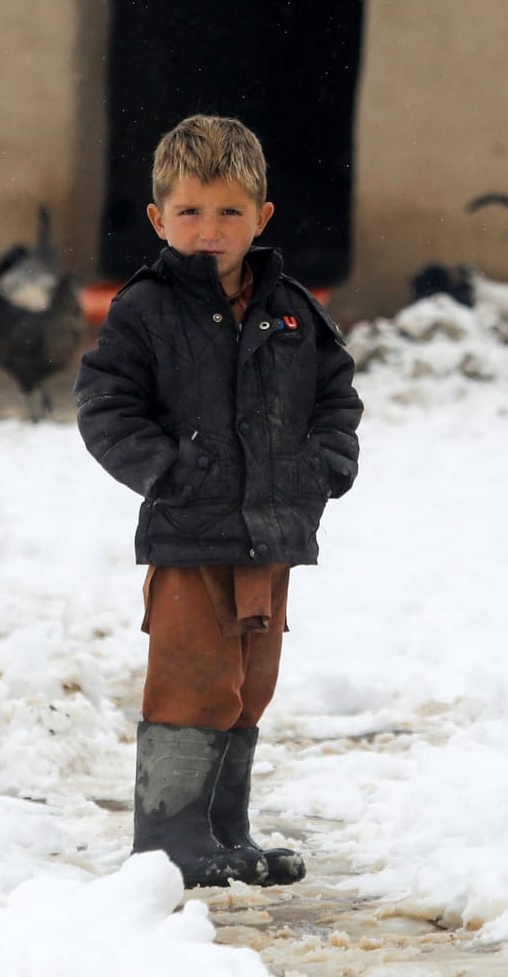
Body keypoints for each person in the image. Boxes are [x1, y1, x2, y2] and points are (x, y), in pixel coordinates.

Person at [74, 114, 363, 889]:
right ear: (158, 218)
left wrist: (324, 466)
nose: (210, 231)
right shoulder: (147, 309)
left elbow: (337, 397)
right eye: (191, 212)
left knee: (246, 685)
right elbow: (105, 405)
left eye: (230, 212)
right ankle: (168, 839)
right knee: (193, 679)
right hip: (190, 533)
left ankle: (221, 831)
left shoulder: (293, 310)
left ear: (261, 217)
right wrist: (165, 470)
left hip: (271, 534)